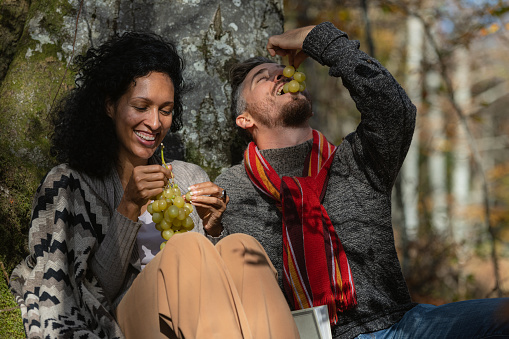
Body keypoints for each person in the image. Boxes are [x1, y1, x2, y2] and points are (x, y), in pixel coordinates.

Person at [212, 22, 509, 338]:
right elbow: (228, 289)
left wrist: (319, 39)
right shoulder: (233, 189)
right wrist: (215, 228)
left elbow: (394, 109)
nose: (281, 75)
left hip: (398, 327)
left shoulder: (355, 160)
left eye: (281, 69)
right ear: (245, 119)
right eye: (263, 77)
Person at [9, 32, 299, 339]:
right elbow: (88, 292)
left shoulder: (189, 176)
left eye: (165, 110)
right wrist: (129, 207)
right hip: (127, 319)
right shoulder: (71, 183)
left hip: (204, 323)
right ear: (110, 105)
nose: (154, 123)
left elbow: (218, 285)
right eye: (141, 106)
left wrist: (213, 228)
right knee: (185, 247)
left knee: (243, 248)